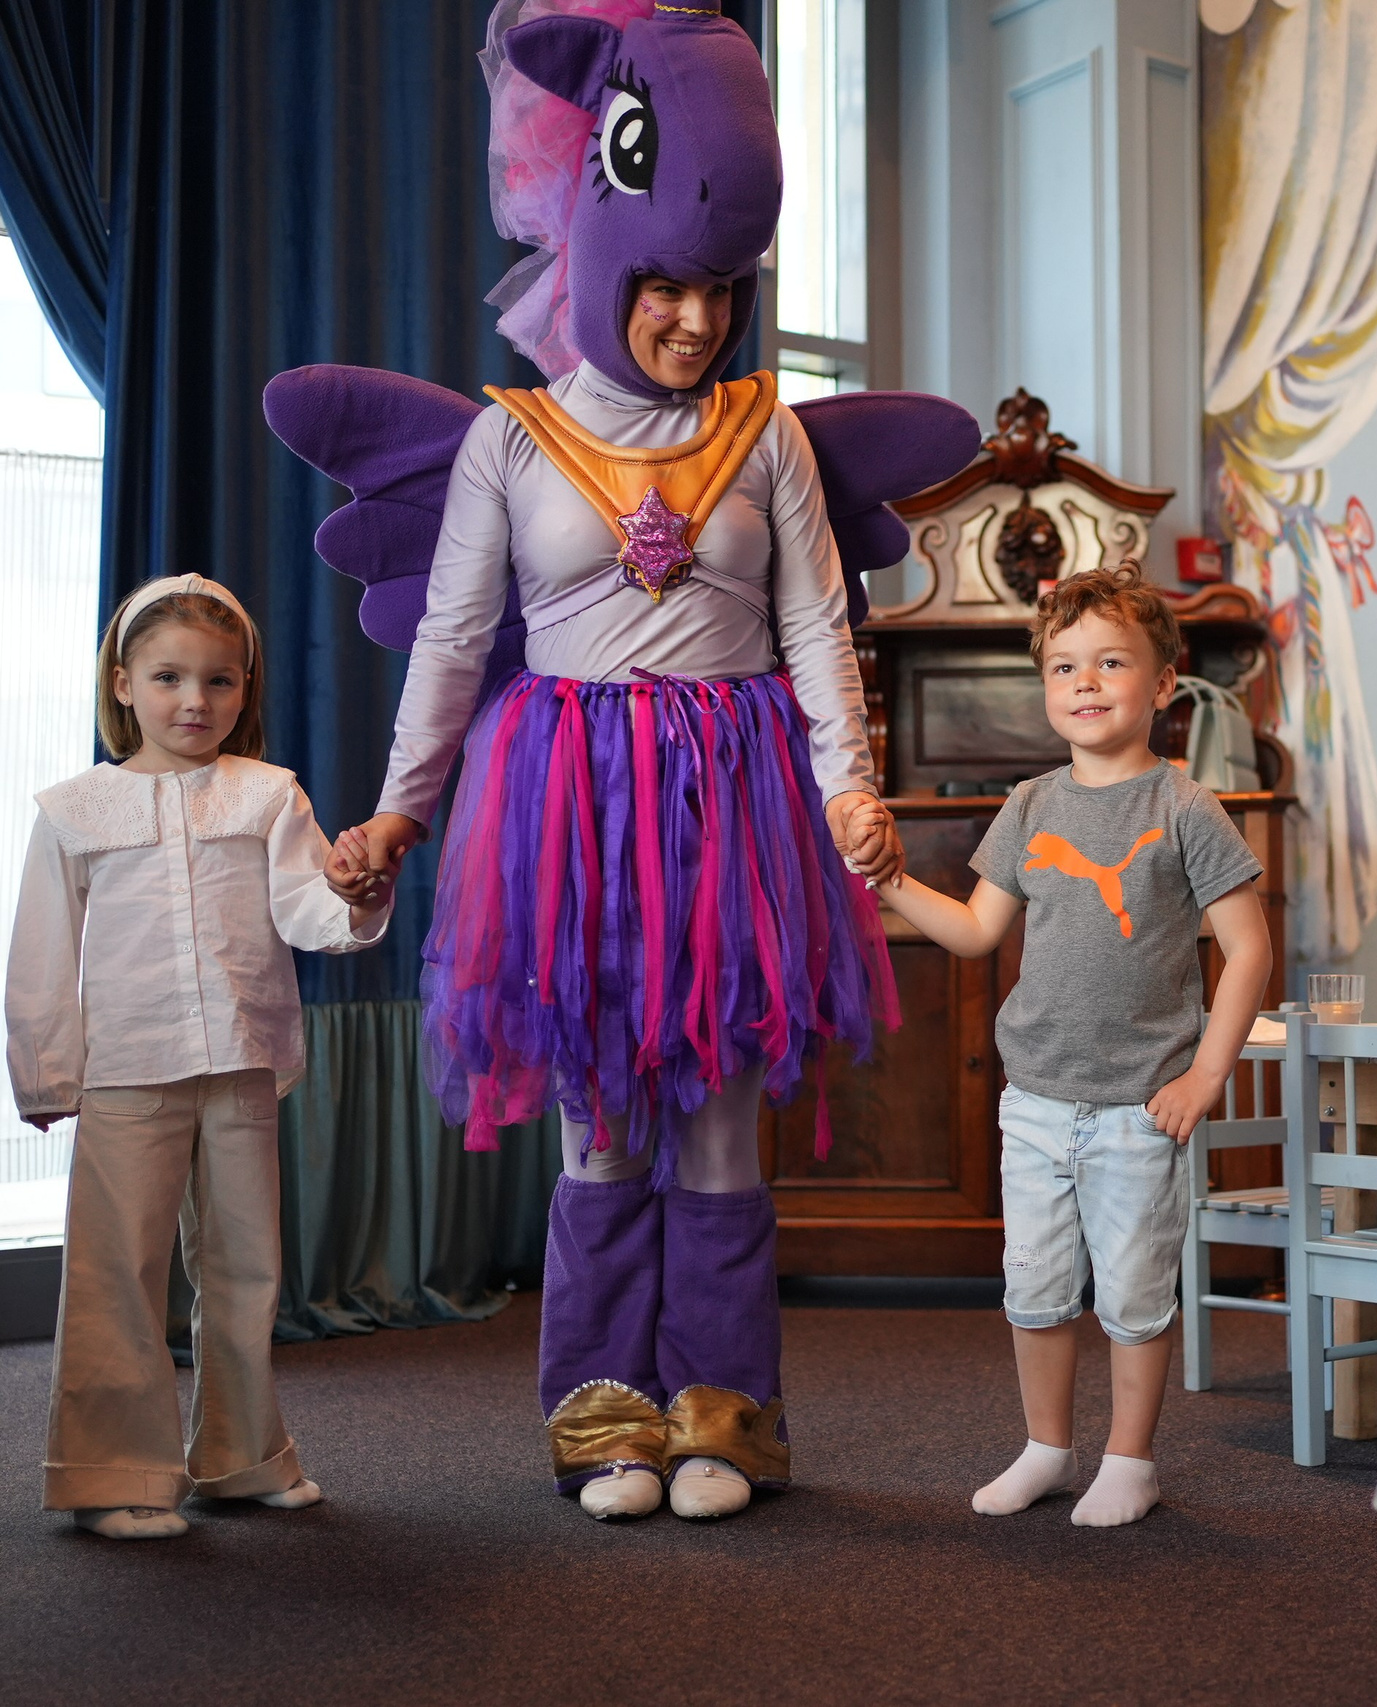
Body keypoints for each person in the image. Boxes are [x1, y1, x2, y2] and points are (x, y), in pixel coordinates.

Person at [337, 2, 911, 1526]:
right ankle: (601, 1409)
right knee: (599, 1113)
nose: (694, 321)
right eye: (664, 286)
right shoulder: (510, 442)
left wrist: (852, 783)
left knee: (721, 1114)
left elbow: (817, 634)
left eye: (719, 293)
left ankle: (725, 1408)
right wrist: (403, 808)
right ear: (601, 261)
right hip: (568, 809)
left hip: (734, 803)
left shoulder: (765, 435)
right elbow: (454, 642)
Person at [874, 565, 1273, 1527]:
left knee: (1134, 1294)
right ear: (1046, 687)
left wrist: (1205, 1075)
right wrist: (888, 878)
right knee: (1038, 1289)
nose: (1085, 683)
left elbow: (1250, 947)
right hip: (1039, 1098)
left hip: (1144, 1100)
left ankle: (1129, 1460)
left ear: (1163, 684)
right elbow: (975, 930)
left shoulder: (1186, 809)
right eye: (1063, 666)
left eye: (1109, 662)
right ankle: (1048, 1447)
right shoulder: (1031, 804)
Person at [6, 575, 389, 1540]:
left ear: (244, 689)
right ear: (124, 683)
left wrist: (354, 889)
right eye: (169, 676)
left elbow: (307, 910)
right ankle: (111, 1472)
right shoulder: (75, 809)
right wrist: (47, 1070)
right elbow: (42, 951)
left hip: (242, 1059)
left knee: (245, 1264)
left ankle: (242, 1453)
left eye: (219, 682)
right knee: (115, 1268)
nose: (195, 701)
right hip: (127, 1068)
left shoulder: (267, 793)